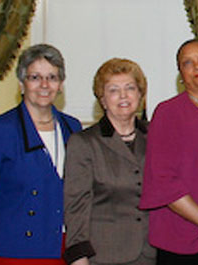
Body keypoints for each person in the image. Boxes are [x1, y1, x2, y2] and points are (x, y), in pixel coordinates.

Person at [0, 44, 82, 264]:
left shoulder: (73, 128)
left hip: (63, 247)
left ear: (60, 85)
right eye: (35, 77)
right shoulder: (1, 129)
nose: (44, 85)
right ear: (22, 84)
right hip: (14, 250)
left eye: (52, 77)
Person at [63, 58, 156, 265]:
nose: (123, 96)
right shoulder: (83, 143)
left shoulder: (156, 136)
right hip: (104, 256)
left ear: (140, 95)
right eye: (113, 90)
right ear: (103, 99)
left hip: (152, 254)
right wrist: (79, 257)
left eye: (130, 88)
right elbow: (76, 206)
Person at [139, 39, 198, 265]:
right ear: (180, 75)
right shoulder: (168, 113)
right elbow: (164, 181)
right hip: (181, 237)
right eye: (188, 63)